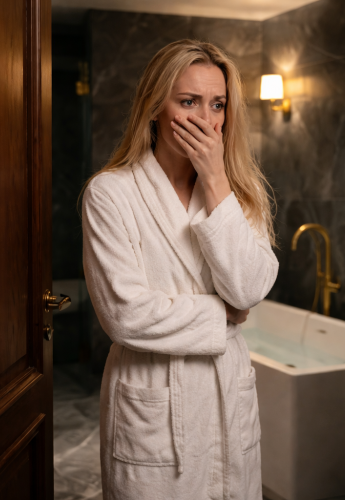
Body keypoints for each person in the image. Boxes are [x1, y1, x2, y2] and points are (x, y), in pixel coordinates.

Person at [80, 39, 279, 500]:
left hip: (227, 394)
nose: (205, 120)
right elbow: (125, 314)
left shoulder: (240, 193)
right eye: (188, 102)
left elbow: (248, 290)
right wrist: (222, 315)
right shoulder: (110, 194)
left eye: (217, 105)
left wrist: (215, 181)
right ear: (154, 107)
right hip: (153, 402)